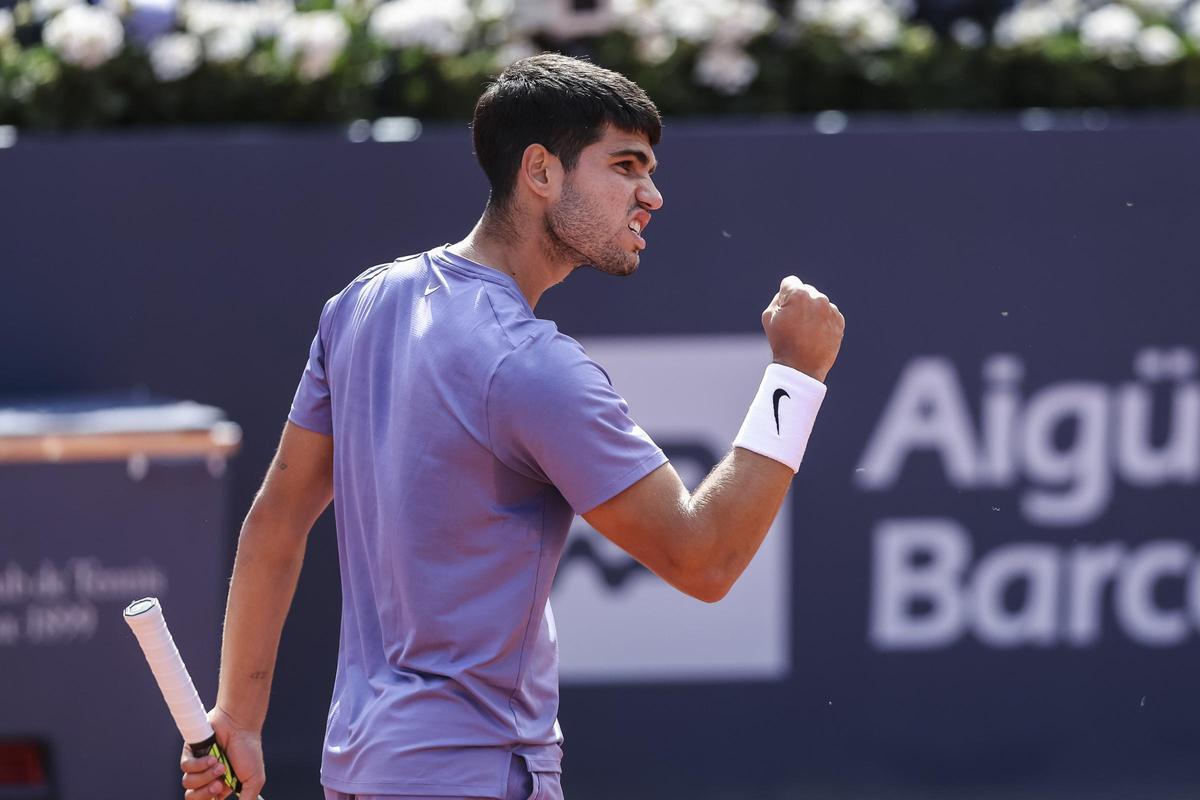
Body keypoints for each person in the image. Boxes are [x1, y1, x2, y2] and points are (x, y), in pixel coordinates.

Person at [180, 52, 844, 800]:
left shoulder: (363, 304)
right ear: (540, 172)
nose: (651, 194)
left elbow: (276, 520)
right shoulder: (533, 366)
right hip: (472, 775)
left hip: (364, 774)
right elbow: (706, 558)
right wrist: (796, 376)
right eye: (625, 166)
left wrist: (237, 714)